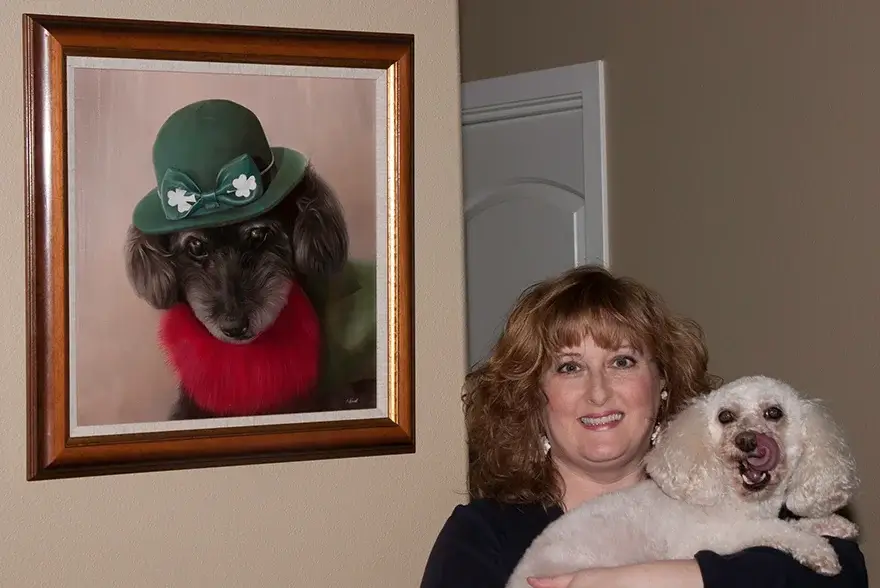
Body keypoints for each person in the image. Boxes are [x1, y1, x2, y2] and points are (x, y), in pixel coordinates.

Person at [420, 264, 868, 588]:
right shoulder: (484, 535)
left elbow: (841, 574)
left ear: (662, 386)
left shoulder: (752, 503)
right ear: (533, 398)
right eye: (570, 367)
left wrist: (643, 579)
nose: (598, 392)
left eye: (622, 361)